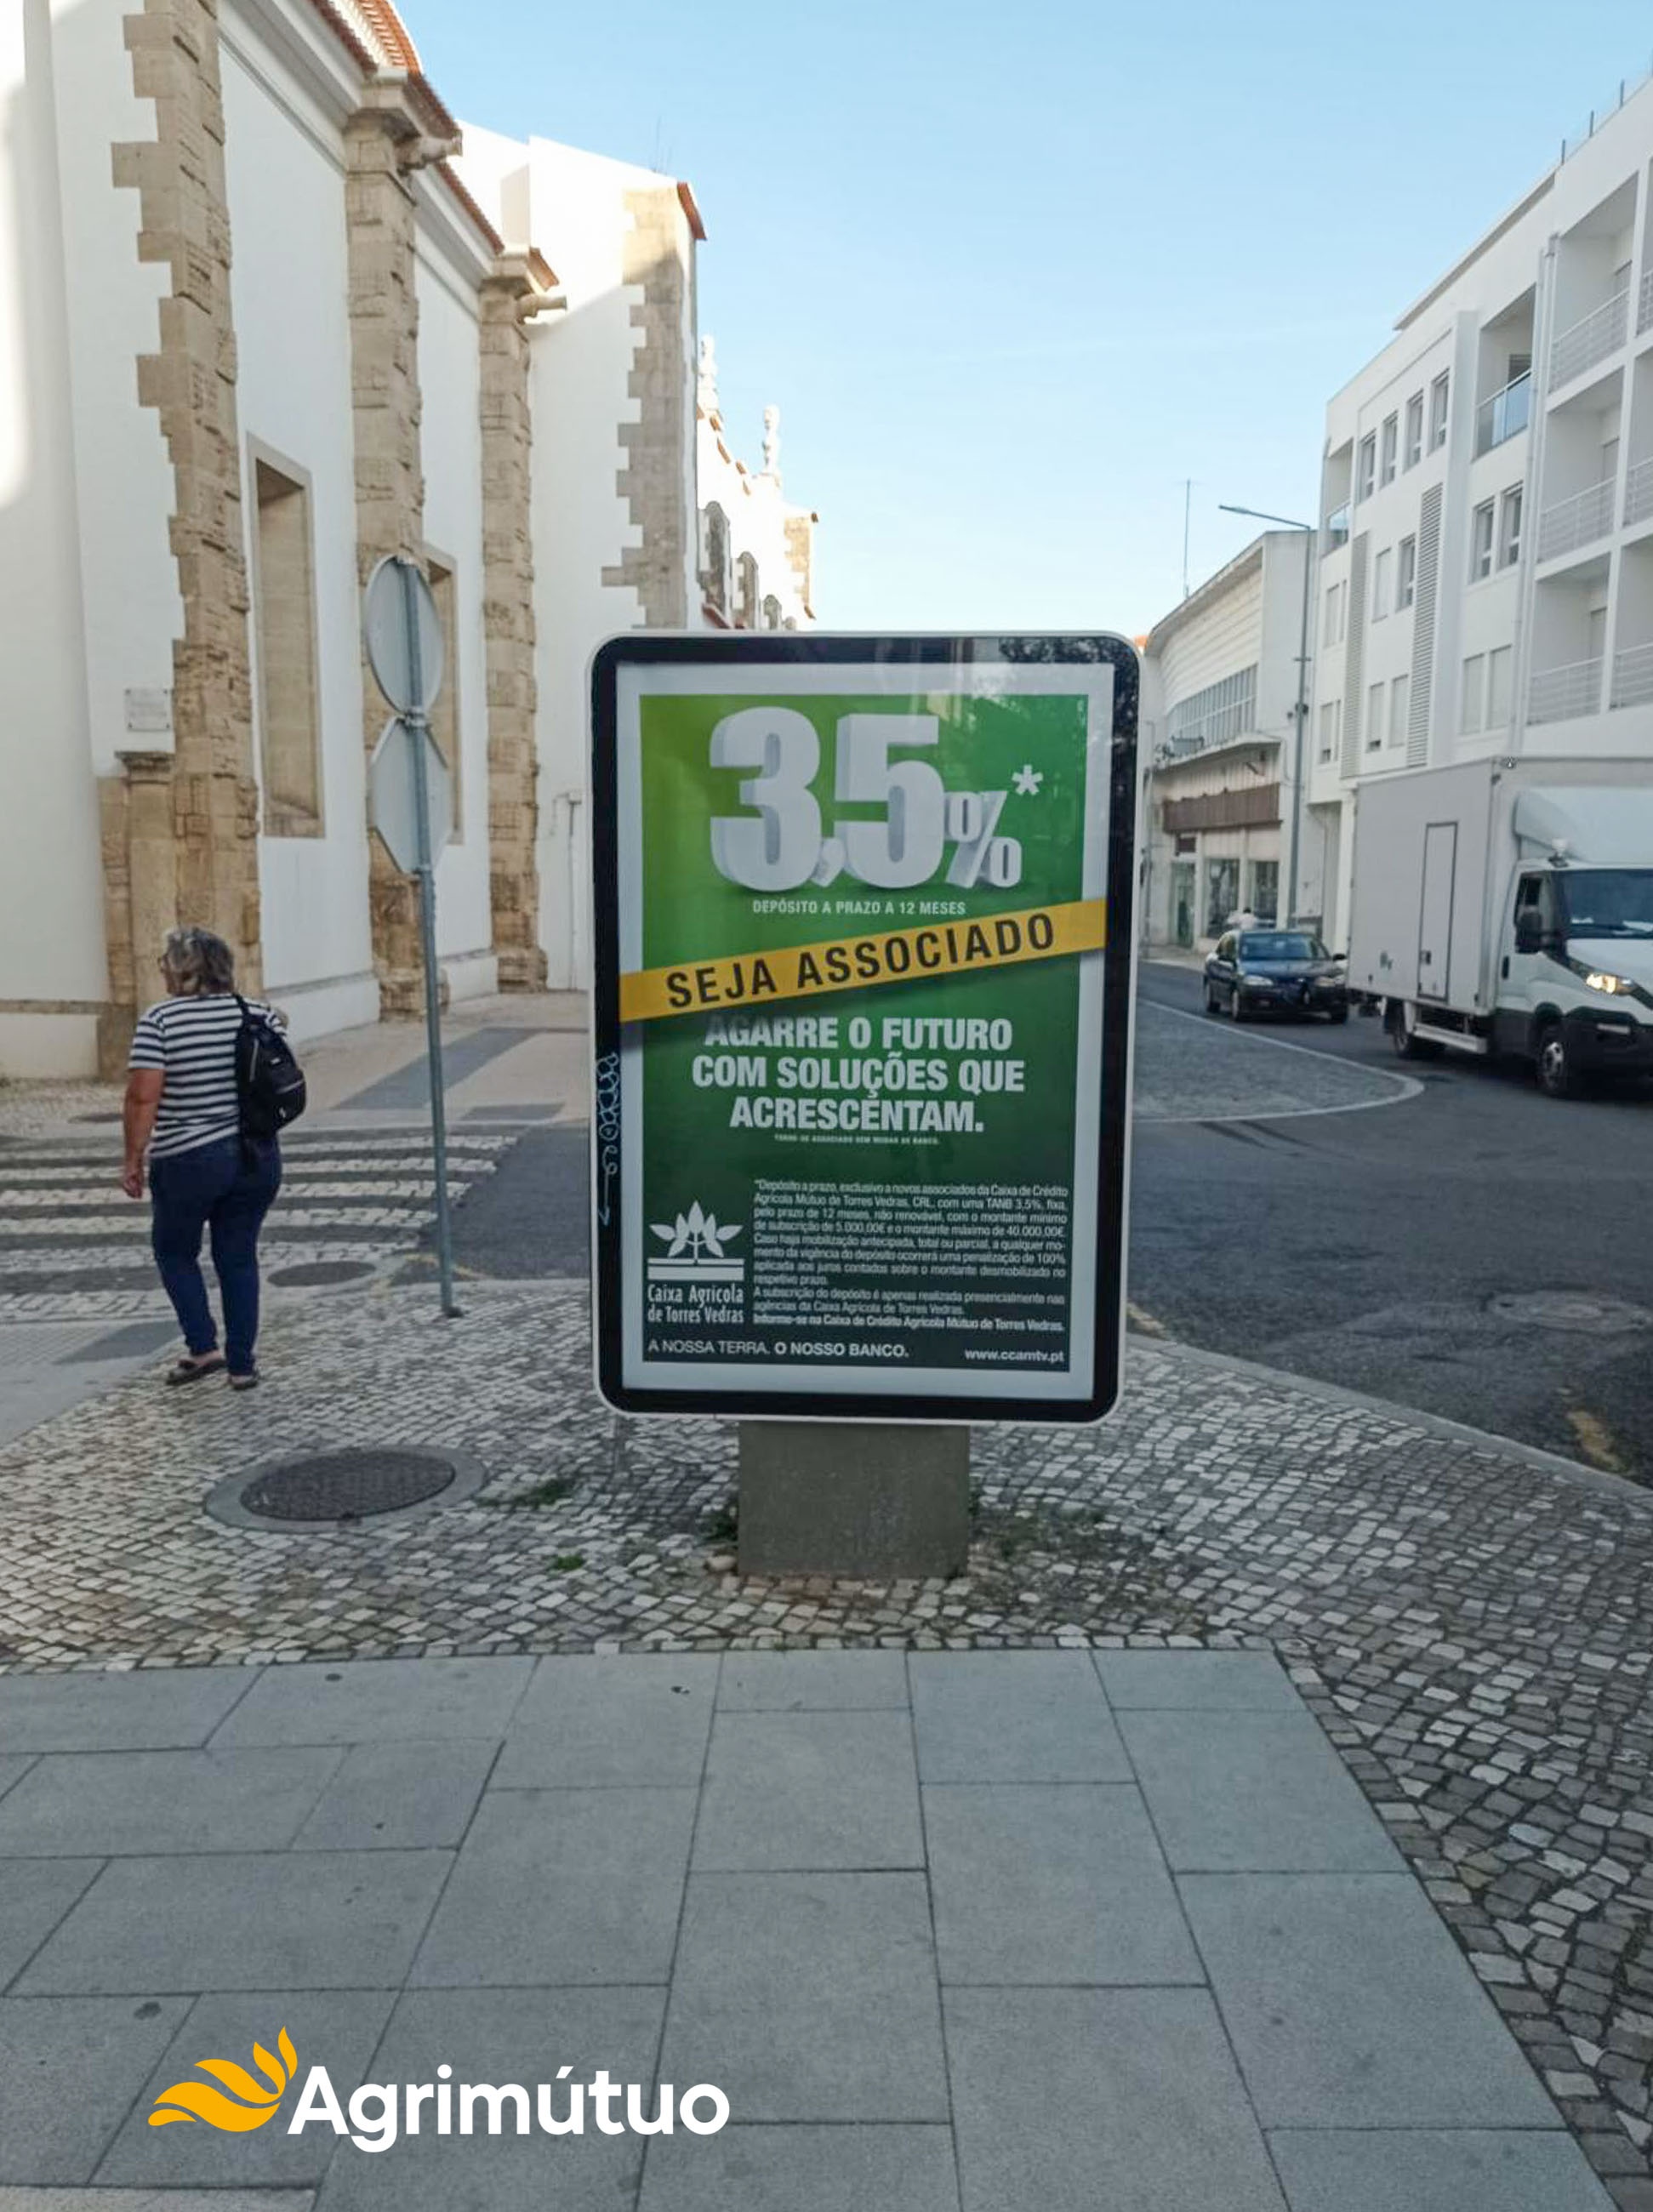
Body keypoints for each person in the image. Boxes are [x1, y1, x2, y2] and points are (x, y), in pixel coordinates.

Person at [122, 926, 284, 1389]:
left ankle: (203, 1347)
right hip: (256, 1155)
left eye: (164, 963)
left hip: (188, 1160)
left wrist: (133, 1158)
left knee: (174, 1251)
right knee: (239, 1257)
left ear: (180, 969)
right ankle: (242, 1366)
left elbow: (143, 1097)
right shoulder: (256, 1012)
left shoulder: (161, 1020)